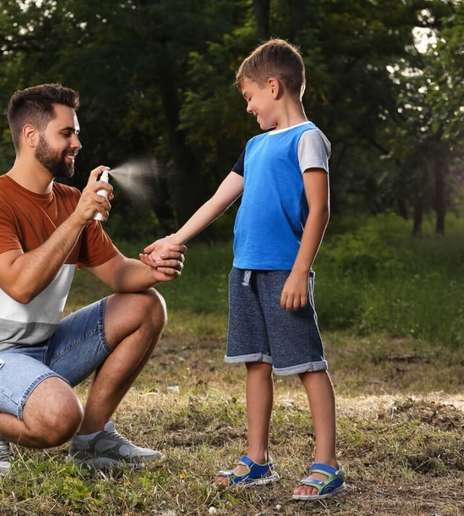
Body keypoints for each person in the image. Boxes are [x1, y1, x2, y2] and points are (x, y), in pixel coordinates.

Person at [142, 39, 344, 500]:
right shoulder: (253, 146)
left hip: (282, 274)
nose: (250, 107)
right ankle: (257, 460)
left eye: (250, 97)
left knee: (308, 364)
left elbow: (320, 211)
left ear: (273, 86)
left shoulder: (307, 138)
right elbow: (218, 200)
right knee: (255, 363)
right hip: (245, 272)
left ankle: (327, 462)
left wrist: (298, 272)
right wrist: (175, 239)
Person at [0, 83, 187, 475]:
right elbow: (21, 286)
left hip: (42, 349)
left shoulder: (67, 200)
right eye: (66, 133)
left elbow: (119, 274)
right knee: (60, 417)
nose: (77, 142)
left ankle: (92, 440)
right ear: (30, 136)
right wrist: (78, 217)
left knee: (146, 304)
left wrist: (156, 265)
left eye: (76, 132)